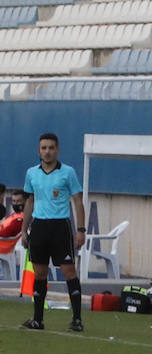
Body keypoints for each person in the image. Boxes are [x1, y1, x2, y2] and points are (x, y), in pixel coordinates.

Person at [19, 132, 86, 332]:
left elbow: (77, 201)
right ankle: (37, 320)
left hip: (60, 227)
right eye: (43, 148)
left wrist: (81, 230)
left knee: (68, 271)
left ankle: (77, 319)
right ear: (39, 150)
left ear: (57, 150)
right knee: (39, 274)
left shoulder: (67, 172)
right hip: (39, 227)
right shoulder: (32, 173)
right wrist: (24, 229)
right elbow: (30, 201)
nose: (47, 152)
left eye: (51, 148)